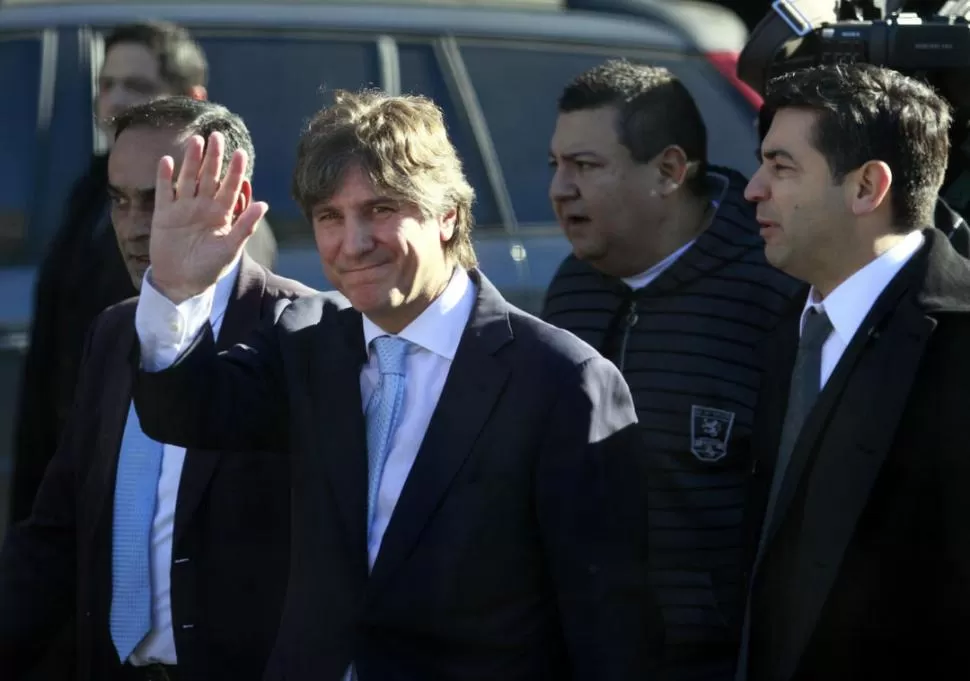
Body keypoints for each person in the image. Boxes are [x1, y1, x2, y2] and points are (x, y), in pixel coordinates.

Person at [129, 88, 662, 680]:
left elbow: (607, 623)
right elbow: (186, 413)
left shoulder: (563, 381)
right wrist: (177, 291)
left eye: (381, 209)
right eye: (330, 216)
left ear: (447, 215)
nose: (353, 244)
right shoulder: (306, 339)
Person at [0, 97, 310, 681]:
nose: (137, 226)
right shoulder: (115, 331)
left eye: (161, 198)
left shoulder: (303, 333)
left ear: (234, 200)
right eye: (119, 201)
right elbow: (59, 534)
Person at [543, 60, 800, 681]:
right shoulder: (571, 290)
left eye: (586, 166)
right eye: (556, 165)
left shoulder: (775, 294)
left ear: (668, 171)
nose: (559, 189)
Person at [739, 63, 970, 681]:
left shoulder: (958, 342)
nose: (753, 189)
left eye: (782, 166)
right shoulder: (784, 328)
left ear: (867, 186)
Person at [9, 20, 277, 526]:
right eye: (106, 85)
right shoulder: (89, 194)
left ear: (190, 100)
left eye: (138, 87)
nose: (115, 102)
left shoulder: (226, 237)